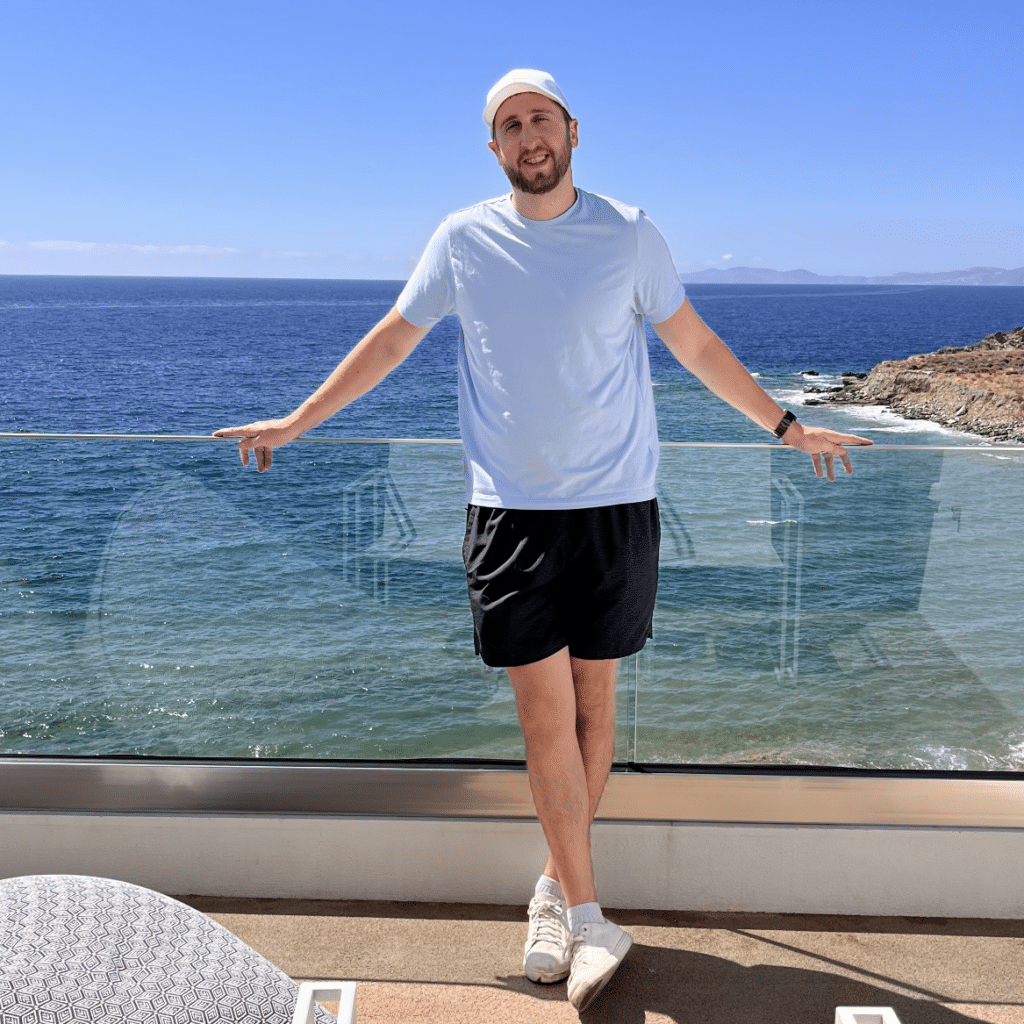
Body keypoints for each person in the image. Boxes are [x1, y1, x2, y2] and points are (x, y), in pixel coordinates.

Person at [215, 68, 872, 1011]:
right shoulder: (463, 237)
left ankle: (558, 891)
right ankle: (593, 910)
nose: (529, 136)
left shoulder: (630, 232)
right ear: (495, 147)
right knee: (541, 718)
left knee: (594, 711)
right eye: (510, 125)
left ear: (573, 131)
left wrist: (788, 426)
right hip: (510, 511)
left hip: (616, 507)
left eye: (542, 120)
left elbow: (693, 342)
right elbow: (393, 340)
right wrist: (297, 422)